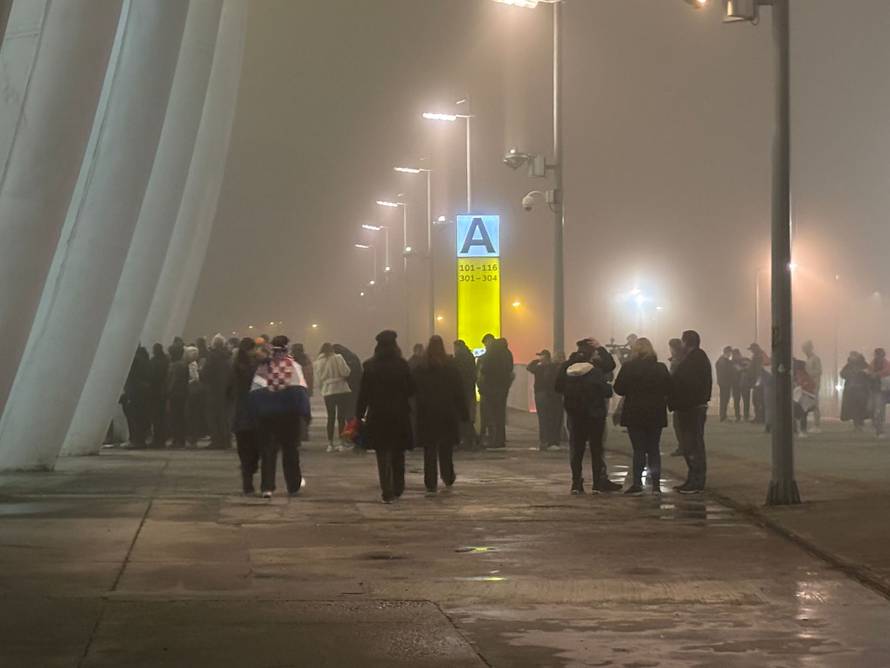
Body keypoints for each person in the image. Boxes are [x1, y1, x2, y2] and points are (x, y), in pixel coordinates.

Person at [355, 330, 415, 504]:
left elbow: (363, 394)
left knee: (382, 454)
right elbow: (412, 389)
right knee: (398, 452)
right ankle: (398, 486)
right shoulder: (403, 365)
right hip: (399, 415)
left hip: (378, 415)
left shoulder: (370, 366)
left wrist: (358, 415)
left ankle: (387, 490)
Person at [248, 335, 309, 498]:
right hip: (289, 417)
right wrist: (305, 415)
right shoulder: (294, 366)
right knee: (290, 451)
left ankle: (267, 487)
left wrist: (256, 413)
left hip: (267, 417)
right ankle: (293, 485)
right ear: (287, 348)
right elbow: (301, 392)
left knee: (268, 452)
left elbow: (254, 393)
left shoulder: (264, 367)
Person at [555, 338, 614, 495]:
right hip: (595, 415)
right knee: (596, 449)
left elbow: (557, 386)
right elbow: (607, 390)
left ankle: (576, 483)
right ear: (591, 354)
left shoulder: (567, 367)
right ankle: (596, 483)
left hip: (574, 414)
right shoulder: (595, 370)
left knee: (577, 449)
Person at [614, 337, 671, 495]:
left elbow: (618, 388)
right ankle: (656, 486)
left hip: (635, 412)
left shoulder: (629, 367)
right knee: (654, 449)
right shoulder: (660, 368)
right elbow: (669, 387)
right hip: (656, 412)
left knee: (638, 449)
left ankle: (637, 484)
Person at [412, 335, 469, 495]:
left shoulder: (421, 368)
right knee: (446, 447)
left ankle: (430, 481)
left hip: (426, 413)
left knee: (429, 449)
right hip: (447, 412)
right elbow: (459, 392)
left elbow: (412, 389)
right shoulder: (450, 366)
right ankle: (448, 475)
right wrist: (464, 413)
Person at [669, 330, 712, 494]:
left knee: (693, 445)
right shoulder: (698, 358)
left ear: (686, 342)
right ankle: (693, 479)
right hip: (691, 406)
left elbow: (684, 381)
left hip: (691, 408)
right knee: (691, 445)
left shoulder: (695, 360)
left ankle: (696, 480)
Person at [230, 338, 260, 494]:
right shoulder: (251, 367)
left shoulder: (235, 365)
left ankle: (247, 476)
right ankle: (247, 479)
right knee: (252, 449)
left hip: (241, 412)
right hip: (251, 412)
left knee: (245, 449)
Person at [314, 343, 352, 452]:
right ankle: (341, 443)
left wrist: (323, 388)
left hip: (328, 391)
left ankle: (330, 444)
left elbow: (318, 380)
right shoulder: (338, 358)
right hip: (341, 389)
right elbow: (346, 372)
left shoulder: (318, 362)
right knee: (341, 417)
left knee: (330, 417)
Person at [477, 336, 514, 449]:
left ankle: (494, 439)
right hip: (503, 388)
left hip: (491, 388)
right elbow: (510, 370)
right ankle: (500, 439)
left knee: (492, 415)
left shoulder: (492, 355)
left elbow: (485, 369)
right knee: (500, 415)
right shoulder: (507, 354)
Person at [201, 334, 233, 449]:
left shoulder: (212, 356)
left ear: (214, 344)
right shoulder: (229, 357)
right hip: (227, 391)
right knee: (225, 417)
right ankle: (226, 441)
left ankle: (216, 441)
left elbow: (205, 373)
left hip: (213, 390)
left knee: (213, 417)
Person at [527, 350, 563, 450]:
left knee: (545, 418)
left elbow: (530, 367)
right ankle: (549, 441)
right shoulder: (546, 367)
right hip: (548, 395)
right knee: (548, 418)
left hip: (544, 394)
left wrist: (538, 361)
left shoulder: (542, 367)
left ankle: (546, 441)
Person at [121, 347, 152, 448]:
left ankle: (136, 440)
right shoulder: (147, 361)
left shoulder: (133, 361)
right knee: (141, 418)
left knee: (133, 418)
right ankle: (141, 440)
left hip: (134, 392)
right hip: (144, 392)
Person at [453, 340, 479, 449]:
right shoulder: (470, 356)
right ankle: (472, 438)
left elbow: (457, 373)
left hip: (462, 390)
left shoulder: (459, 358)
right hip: (469, 389)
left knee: (463, 416)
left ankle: (467, 439)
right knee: (468, 415)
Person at [166, 343, 189, 449]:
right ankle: (181, 439)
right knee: (180, 417)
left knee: (175, 418)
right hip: (183, 394)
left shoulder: (175, 366)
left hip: (175, 395)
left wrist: (168, 392)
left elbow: (173, 381)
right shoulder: (184, 365)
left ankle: (177, 440)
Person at [840, 351, 870, 431]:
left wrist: (861, 373)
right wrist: (851, 373)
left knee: (861, 408)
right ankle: (857, 425)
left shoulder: (863, 364)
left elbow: (869, 373)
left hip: (861, 390)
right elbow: (842, 374)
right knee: (854, 408)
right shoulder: (849, 365)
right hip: (851, 390)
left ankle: (860, 424)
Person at [147, 343, 169, 448]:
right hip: (164, 392)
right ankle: (162, 439)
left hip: (154, 393)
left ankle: (157, 440)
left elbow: (151, 376)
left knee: (156, 418)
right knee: (162, 417)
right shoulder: (166, 360)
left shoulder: (153, 362)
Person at [333, 343, 363, 420]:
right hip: (354, 387)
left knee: (350, 412)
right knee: (351, 411)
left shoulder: (347, 358)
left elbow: (350, 373)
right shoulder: (351, 356)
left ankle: (351, 428)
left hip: (351, 387)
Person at [291, 342, 314, 441]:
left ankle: (294, 434)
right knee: (304, 412)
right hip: (303, 389)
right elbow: (310, 375)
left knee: (292, 413)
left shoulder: (290, 360)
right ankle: (303, 433)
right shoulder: (306, 360)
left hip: (292, 389)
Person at [667, 338, 685, 457]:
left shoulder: (676, 361)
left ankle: (682, 447)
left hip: (679, 396)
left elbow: (672, 377)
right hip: (685, 396)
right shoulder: (686, 358)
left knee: (679, 424)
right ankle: (685, 446)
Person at [868, 348, 890, 439]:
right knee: (872, 409)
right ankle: (877, 427)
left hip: (882, 390)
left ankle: (880, 431)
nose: (878, 356)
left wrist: (876, 374)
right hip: (874, 389)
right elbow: (870, 373)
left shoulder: (886, 363)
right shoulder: (872, 363)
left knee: (879, 410)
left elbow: (887, 371)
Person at [792, 358, 818, 437]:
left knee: (800, 414)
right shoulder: (803, 374)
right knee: (801, 414)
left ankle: (801, 431)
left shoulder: (801, 375)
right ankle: (800, 431)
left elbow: (805, 385)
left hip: (803, 397)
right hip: (804, 397)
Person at [802, 341, 823, 433]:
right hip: (808, 385)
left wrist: (808, 374)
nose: (804, 350)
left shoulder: (815, 359)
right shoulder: (808, 359)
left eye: (806, 348)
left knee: (815, 404)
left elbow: (819, 371)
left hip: (814, 384)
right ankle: (812, 424)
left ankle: (817, 425)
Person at [715, 346, 739, 422]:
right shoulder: (725, 361)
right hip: (726, 383)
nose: (731, 354)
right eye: (730, 352)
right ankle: (723, 416)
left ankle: (723, 416)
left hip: (722, 383)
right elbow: (728, 372)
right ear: (727, 352)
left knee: (723, 400)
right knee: (724, 400)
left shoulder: (720, 360)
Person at [748, 343, 769, 423]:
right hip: (756, 381)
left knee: (759, 401)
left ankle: (761, 418)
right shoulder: (756, 356)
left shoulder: (761, 356)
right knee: (756, 401)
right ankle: (758, 417)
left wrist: (759, 380)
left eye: (752, 349)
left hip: (760, 381)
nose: (752, 351)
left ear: (756, 348)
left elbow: (763, 369)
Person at [733, 348, 752, 421]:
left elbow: (739, 369)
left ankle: (740, 417)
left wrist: (741, 369)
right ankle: (744, 416)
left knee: (738, 401)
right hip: (742, 384)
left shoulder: (733, 362)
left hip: (739, 384)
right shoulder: (746, 360)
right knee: (744, 401)